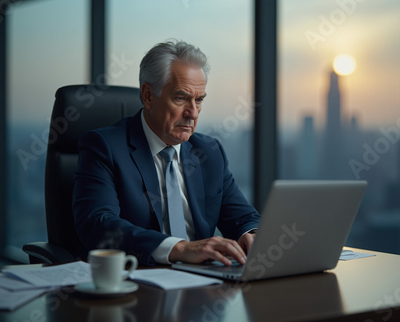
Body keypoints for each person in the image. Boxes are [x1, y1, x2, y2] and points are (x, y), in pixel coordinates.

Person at [73, 40, 260, 266]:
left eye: (199, 100)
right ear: (149, 96)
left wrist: (253, 236)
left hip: (203, 285)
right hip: (137, 282)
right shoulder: (104, 147)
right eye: (181, 98)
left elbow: (244, 218)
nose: (192, 113)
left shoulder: (209, 152)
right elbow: (98, 225)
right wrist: (179, 248)